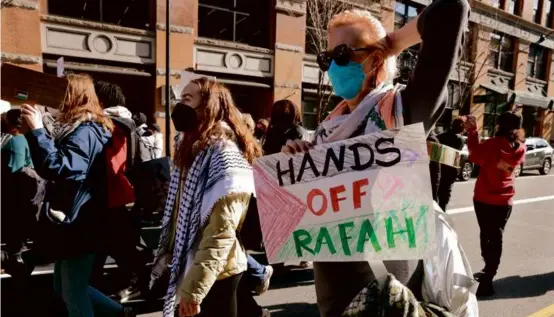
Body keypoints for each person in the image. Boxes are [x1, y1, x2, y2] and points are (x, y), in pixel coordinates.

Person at [281, 0, 469, 314]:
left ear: (375, 57)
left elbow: (451, 11)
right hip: (334, 301)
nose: (333, 67)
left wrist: (388, 45)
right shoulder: (330, 128)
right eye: (327, 58)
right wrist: (299, 159)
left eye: (343, 55)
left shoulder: (404, 112)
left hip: (384, 301)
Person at [150, 78, 263, 317]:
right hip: (197, 267)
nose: (179, 105)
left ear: (208, 107)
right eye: (180, 98)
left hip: (218, 274)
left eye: (187, 99)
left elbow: (221, 233)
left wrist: (193, 290)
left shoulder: (225, 157)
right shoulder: (190, 150)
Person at [21, 74, 131, 317]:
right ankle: (120, 312)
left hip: (80, 221)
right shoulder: (82, 127)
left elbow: (63, 168)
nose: (56, 97)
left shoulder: (87, 130)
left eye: (62, 91)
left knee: (72, 293)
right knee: (64, 286)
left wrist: (38, 131)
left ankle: (120, 312)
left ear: (74, 96)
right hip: (77, 218)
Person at [465, 112, 525, 297]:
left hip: (484, 199)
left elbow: (474, 155)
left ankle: (488, 278)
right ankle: (489, 272)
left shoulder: (492, 144)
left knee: (487, 236)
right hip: (505, 201)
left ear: (498, 125)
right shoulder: (520, 148)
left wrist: (472, 130)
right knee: (496, 237)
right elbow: (508, 166)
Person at [437, 117, 466, 211]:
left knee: (437, 191)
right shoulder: (460, 139)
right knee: (445, 195)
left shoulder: (441, 136)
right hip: (450, 170)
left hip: (440, 167)